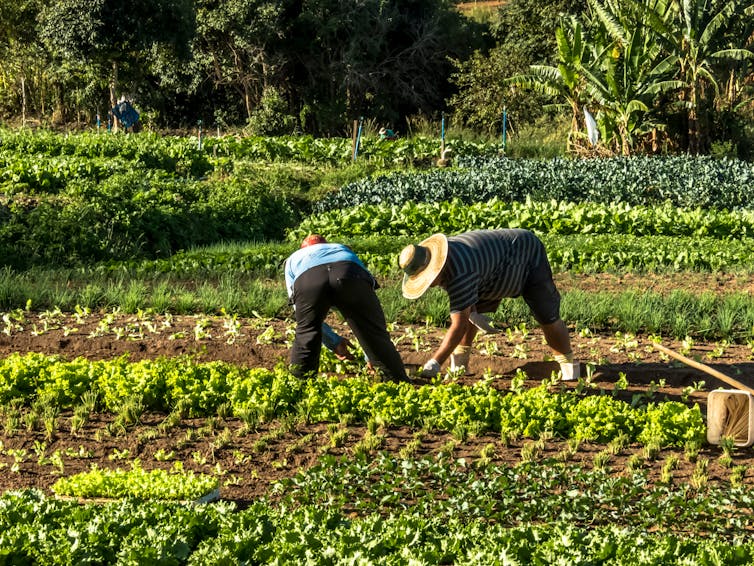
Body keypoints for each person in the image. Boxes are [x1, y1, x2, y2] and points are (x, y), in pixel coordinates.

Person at [398, 229, 579, 380]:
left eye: (428, 278)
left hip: (526, 254)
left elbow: (458, 326)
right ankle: (459, 367)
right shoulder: (447, 258)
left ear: (436, 266)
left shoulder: (460, 271)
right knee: (467, 310)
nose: (428, 284)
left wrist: (435, 363)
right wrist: (473, 310)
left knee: (547, 315)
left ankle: (569, 369)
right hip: (491, 269)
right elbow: (465, 303)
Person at [285, 234, 408, 381]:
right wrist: (371, 355)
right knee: (373, 331)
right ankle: (397, 385)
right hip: (348, 272)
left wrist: (334, 342)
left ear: (303, 249)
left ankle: (297, 390)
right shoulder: (340, 249)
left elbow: (300, 313)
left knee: (306, 332)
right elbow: (366, 315)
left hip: (309, 280)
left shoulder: (294, 258)